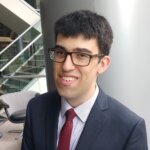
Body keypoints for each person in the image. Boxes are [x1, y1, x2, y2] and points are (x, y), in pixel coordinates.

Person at [21, 10, 148, 150]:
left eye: (81, 55)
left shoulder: (129, 129)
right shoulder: (36, 108)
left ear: (102, 64)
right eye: (60, 52)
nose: (66, 66)